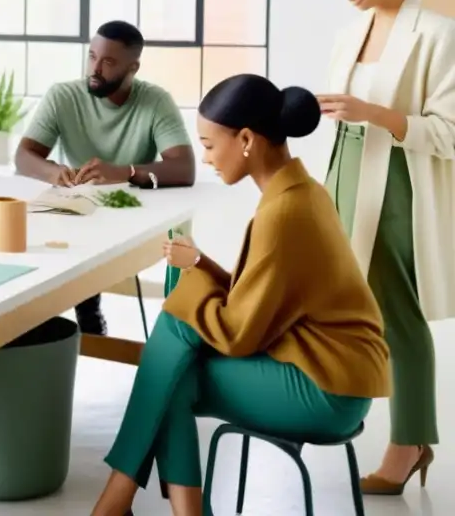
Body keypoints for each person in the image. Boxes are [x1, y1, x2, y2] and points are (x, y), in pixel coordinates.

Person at [90, 74, 391, 516]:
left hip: (325, 388)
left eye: (210, 145)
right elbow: (263, 295)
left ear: (247, 139)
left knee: (172, 354)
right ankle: (136, 503)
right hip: (333, 374)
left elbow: (238, 334)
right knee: (175, 370)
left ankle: (119, 498)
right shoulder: (300, 192)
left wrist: (191, 286)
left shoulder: (285, 211)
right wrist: (201, 267)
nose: (206, 158)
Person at [313, 0, 455, 494]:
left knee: (397, 311)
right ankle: (341, 410)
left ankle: (410, 443)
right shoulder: (352, 31)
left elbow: (447, 132)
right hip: (344, 171)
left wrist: (376, 113)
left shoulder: (439, 35)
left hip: (398, 180)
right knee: (350, 303)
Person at [15, 20, 196, 334]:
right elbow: (23, 156)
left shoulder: (155, 101)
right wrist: (54, 172)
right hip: (78, 211)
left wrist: (124, 172)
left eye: (108, 62)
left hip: (133, 214)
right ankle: (65, 316)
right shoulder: (63, 96)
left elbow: (184, 168)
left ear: (133, 67)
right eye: (92, 57)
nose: (95, 69)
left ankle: (97, 316)